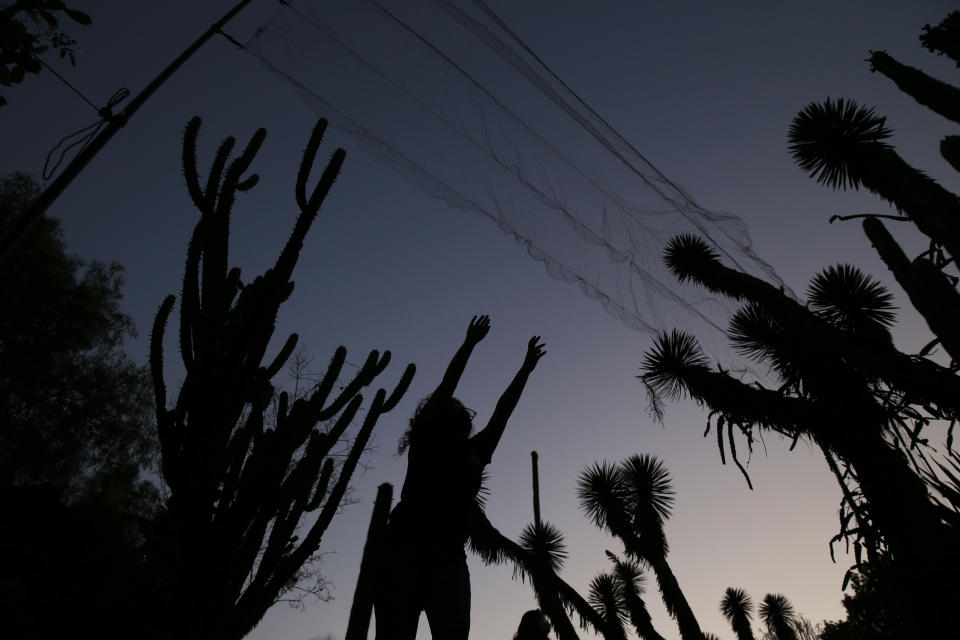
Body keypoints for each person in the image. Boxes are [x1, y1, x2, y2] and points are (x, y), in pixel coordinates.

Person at [374, 315, 546, 640]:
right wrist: (468, 344)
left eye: (459, 411)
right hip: (403, 549)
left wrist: (525, 369)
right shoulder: (425, 441)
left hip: (447, 559)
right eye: (450, 408)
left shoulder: (476, 452)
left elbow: (503, 411)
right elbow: (446, 386)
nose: (457, 411)